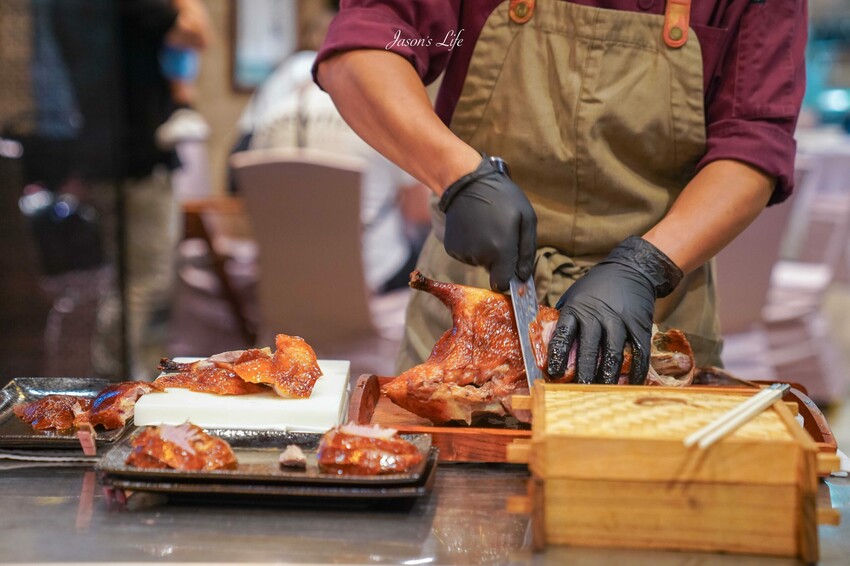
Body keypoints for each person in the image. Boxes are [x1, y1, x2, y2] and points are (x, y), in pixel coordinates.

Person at [314, 0, 807, 382]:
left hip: (650, 321)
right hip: (472, 313)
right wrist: (460, 176)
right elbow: (365, 46)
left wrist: (645, 265)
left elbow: (754, 138)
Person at [234, 5, 429, 294]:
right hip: (372, 276)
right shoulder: (382, 114)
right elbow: (419, 211)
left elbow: (246, 189)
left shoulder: (272, 115)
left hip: (285, 278)